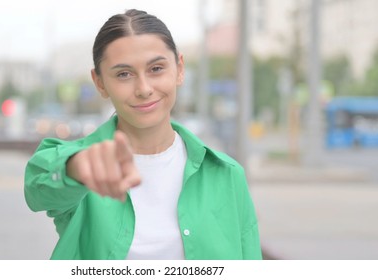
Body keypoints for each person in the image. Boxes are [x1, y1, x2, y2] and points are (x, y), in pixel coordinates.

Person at [24, 9, 262, 260]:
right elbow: (37, 187)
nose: (144, 89)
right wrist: (77, 169)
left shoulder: (227, 174)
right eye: (123, 74)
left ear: (179, 69)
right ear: (100, 83)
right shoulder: (81, 166)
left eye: (156, 68)